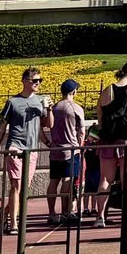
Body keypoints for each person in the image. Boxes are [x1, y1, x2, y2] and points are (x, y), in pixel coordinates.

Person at [0, 67, 50, 234]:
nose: (38, 83)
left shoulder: (40, 101)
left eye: (40, 80)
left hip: (32, 148)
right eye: (35, 80)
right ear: (25, 81)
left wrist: (49, 109)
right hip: (15, 147)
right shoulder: (12, 102)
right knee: (16, 185)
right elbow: (2, 128)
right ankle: (14, 223)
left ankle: (5, 212)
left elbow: (46, 125)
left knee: (25, 188)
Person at [92, 62, 127, 228]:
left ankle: (100, 216)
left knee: (105, 179)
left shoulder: (106, 91)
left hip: (109, 140)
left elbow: (100, 119)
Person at [44, 79, 86, 228]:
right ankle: (65, 212)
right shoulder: (75, 108)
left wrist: (48, 143)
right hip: (71, 150)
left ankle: (51, 213)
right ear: (73, 92)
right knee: (67, 181)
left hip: (55, 150)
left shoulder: (54, 108)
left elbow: (41, 127)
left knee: (54, 181)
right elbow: (81, 132)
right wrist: (81, 148)